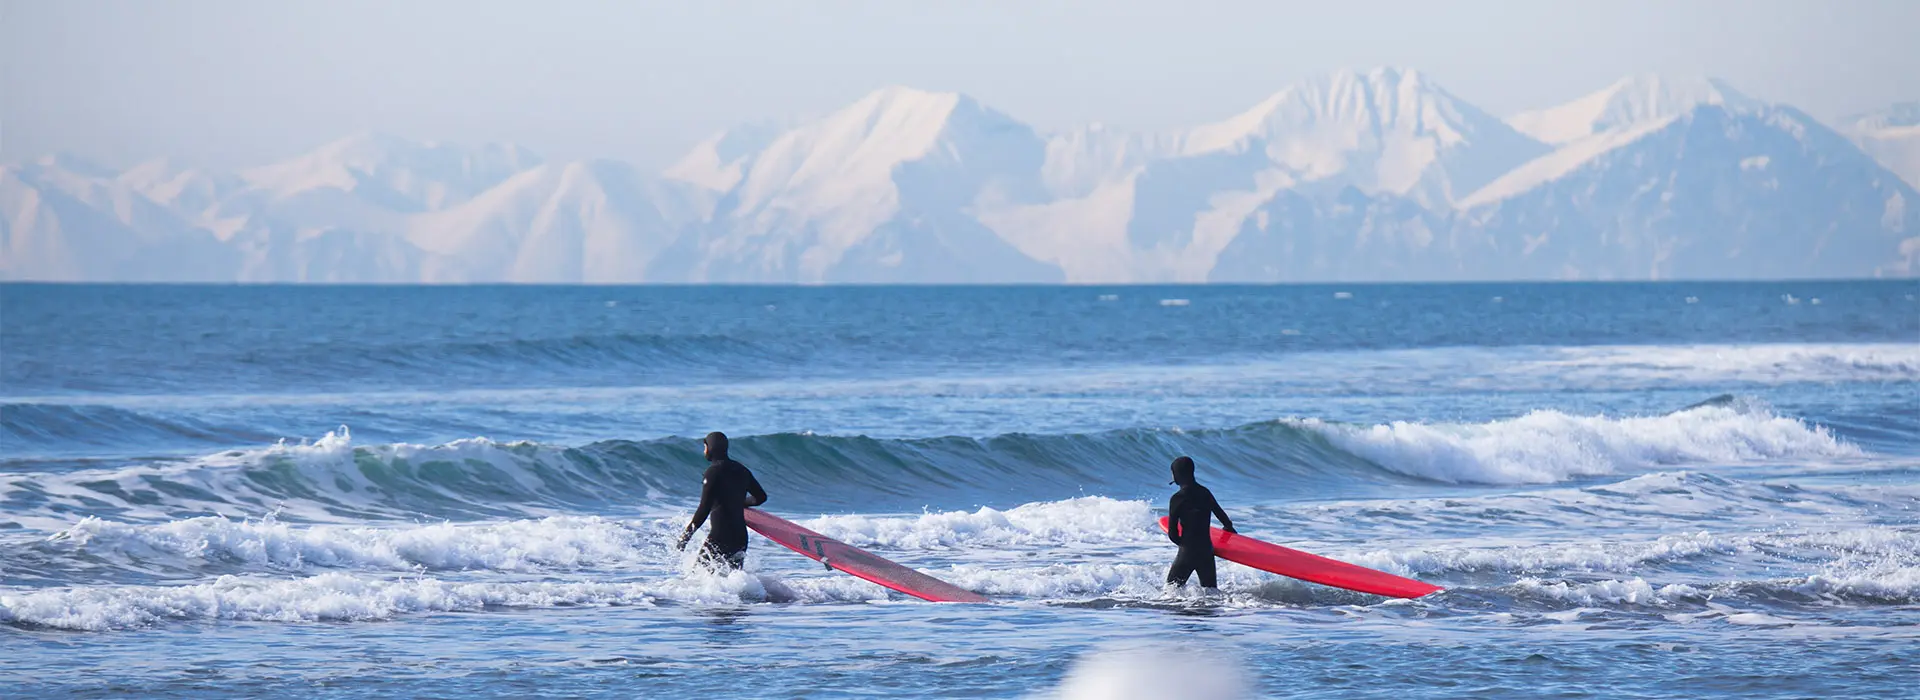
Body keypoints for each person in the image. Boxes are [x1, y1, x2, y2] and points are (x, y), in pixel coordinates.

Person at [676, 431, 768, 571]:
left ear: (710, 448)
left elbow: (704, 508)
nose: (704, 451)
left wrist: (686, 536)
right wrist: (739, 502)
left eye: (705, 447)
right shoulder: (742, 470)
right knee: (734, 579)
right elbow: (761, 497)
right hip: (740, 537)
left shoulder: (712, 472)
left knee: (698, 576)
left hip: (720, 536)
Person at [1165, 455, 1235, 590]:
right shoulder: (1205, 493)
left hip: (1187, 552)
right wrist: (1228, 534)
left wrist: (1186, 546)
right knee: (1211, 593)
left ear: (1177, 475)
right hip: (1206, 551)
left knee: (1171, 591)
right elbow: (1225, 520)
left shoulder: (1177, 499)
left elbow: (1172, 534)